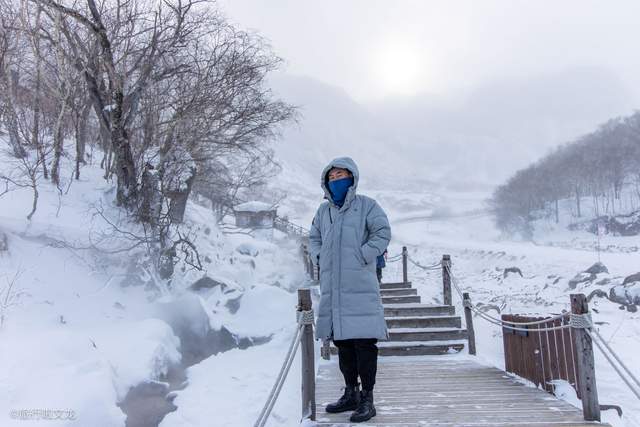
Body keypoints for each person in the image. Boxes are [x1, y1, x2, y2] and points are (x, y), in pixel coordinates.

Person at [309, 157, 391, 423]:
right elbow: (314, 238)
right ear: (326, 182)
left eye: (341, 175)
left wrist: (363, 255)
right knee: (342, 343)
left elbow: (382, 232)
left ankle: (367, 397)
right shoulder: (323, 212)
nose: (336, 181)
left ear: (352, 177)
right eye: (332, 178)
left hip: (361, 287)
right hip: (334, 289)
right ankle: (350, 393)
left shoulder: (367, 206)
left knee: (364, 343)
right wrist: (319, 257)